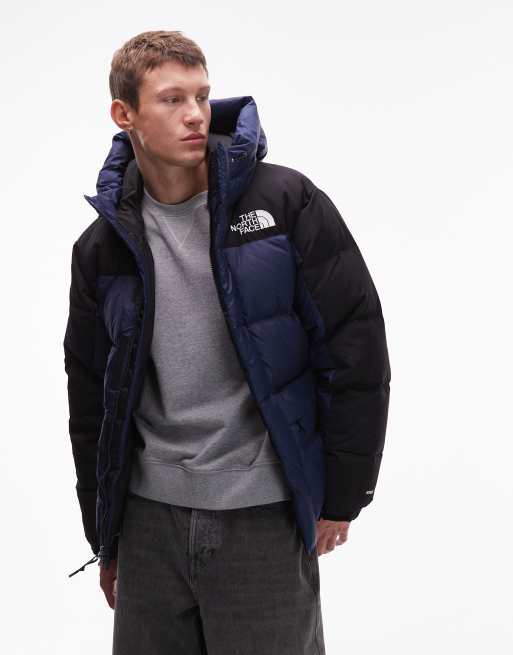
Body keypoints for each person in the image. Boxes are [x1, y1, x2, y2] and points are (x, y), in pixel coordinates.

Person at [63, 29, 391, 655]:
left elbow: (355, 346)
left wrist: (344, 493)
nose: (195, 114)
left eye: (202, 96)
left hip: (262, 517)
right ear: (124, 114)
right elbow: (90, 399)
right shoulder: (101, 248)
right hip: (147, 524)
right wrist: (105, 535)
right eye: (172, 99)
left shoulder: (285, 203)